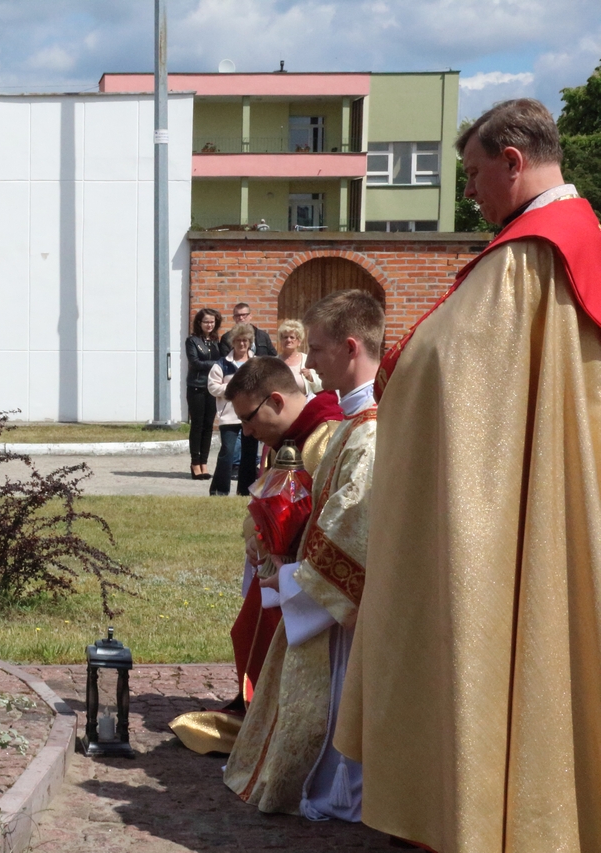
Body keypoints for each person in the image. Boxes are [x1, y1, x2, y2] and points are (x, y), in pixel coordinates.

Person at [334, 99, 601, 853]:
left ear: (513, 162)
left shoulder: (528, 256)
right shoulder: (581, 236)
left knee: (487, 629)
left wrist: (395, 371)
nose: (471, 193)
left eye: (475, 174)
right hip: (557, 494)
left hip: (504, 505)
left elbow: (439, 367)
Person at [223, 290, 382, 819]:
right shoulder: (352, 425)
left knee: (342, 702)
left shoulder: (368, 430)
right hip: (319, 589)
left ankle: (344, 795)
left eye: (315, 348)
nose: (308, 363)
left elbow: (354, 525)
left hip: (349, 604)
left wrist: (295, 580)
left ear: (350, 347)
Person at [169, 357, 342, 755]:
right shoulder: (287, 439)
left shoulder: (326, 437)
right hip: (278, 574)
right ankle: (262, 711)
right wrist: (257, 535)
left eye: (248, 418)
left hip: (305, 582)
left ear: (276, 401)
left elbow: (331, 519)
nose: (246, 431)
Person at [207, 324, 258, 496]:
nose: (242, 344)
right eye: (238, 340)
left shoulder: (256, 363)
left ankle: (245, 491)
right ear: (232, 342)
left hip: (251, 416)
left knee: (249, 454)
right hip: (229, 416)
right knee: (227, 452)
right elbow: (212, 387)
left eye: (245, 341)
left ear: (250, 342)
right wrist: (231, 389)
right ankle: (219, 490)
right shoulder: (222, 364)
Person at [185, 308, 222, 480]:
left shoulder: (216, 341)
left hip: (212, 388)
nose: (209, 325)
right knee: (197, 425)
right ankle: (195, 463)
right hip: (197, 386)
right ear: (199, 323)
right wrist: (217, 364)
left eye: (212, 322)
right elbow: (195, 362)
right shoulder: (192, 341)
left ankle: (204, 463)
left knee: (208, 426)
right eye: (206, 321)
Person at [276, 319, 321, 395]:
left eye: (292, 337)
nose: (288, 340)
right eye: (285, 337)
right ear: (281, 340)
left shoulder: (308, 360)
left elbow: (322, 386)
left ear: (299, 341)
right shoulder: (274, 362)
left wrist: (310, 377)